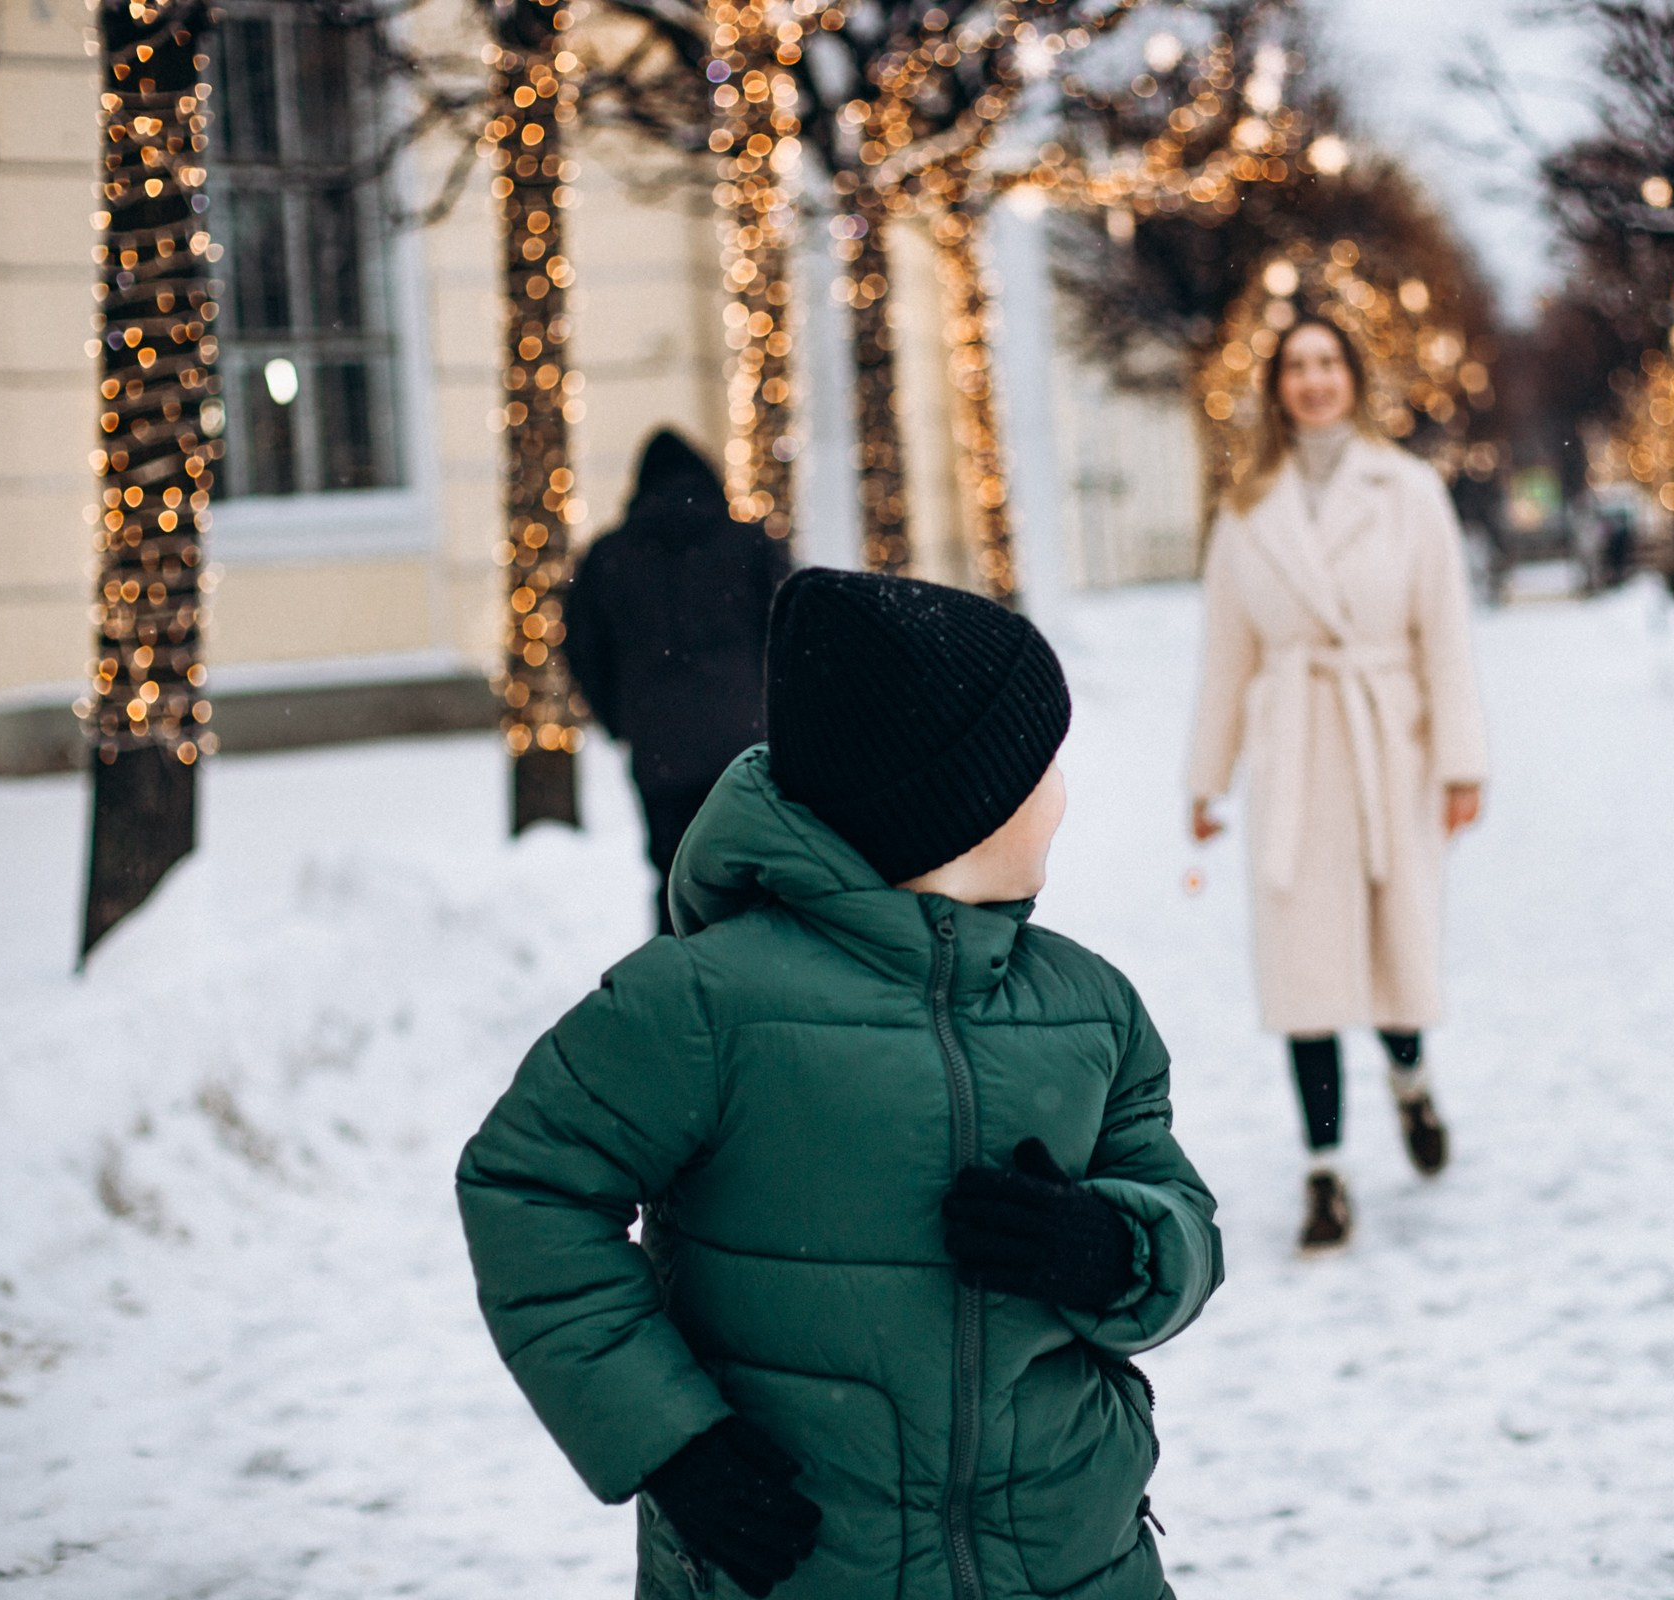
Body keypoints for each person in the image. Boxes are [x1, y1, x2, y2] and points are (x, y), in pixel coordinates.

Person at [459, 569, 1223, 1600]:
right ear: (955, 806)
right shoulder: (709, 1002)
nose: (1064, 792)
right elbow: (529, 1185)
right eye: (1040, 765)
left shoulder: (1090, 1009)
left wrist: (1115, 1247)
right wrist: (671, 1440)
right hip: (805, 1564)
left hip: (1074, 1560)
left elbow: (1183, 1216)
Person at [1184, 314, 1487, 1255]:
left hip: (1385, 741)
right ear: (1277, 386)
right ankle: (1326, 1174)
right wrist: (1206, 781)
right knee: (1303, 966)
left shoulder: (1408, 491)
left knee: (1395, 950)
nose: (1313, 381)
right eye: (1296, 367)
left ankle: (1410, 1081)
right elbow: (1225, 657)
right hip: (1295, 750)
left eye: (1328, 364)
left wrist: (1462, 762)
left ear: (1354, 378)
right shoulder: (1246, 508)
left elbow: (1445, 634)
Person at [564, 427, 790, 934]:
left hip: (661, 750)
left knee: (674, 878)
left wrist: (622, 720)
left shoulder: (608, 557)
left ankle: (685, 985)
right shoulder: (750, 546)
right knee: (754, 878)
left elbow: (582, 650)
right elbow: (789, 634)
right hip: (743, 747)